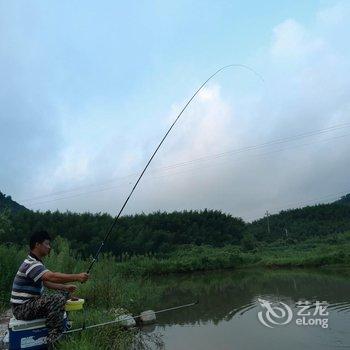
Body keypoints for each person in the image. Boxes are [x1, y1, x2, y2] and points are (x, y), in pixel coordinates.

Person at [10, 230, 89, 345]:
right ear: (37, 245)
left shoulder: (35, 262)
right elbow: (51, 277)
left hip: (28, 304)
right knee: (57, 299)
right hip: (21, 308)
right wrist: (77, 277)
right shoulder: (31, 263)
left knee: (63, 294)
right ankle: (54, 337)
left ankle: (60, 321)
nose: (49, 247)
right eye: (47, 244)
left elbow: (46, 282)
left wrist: (64, 288)